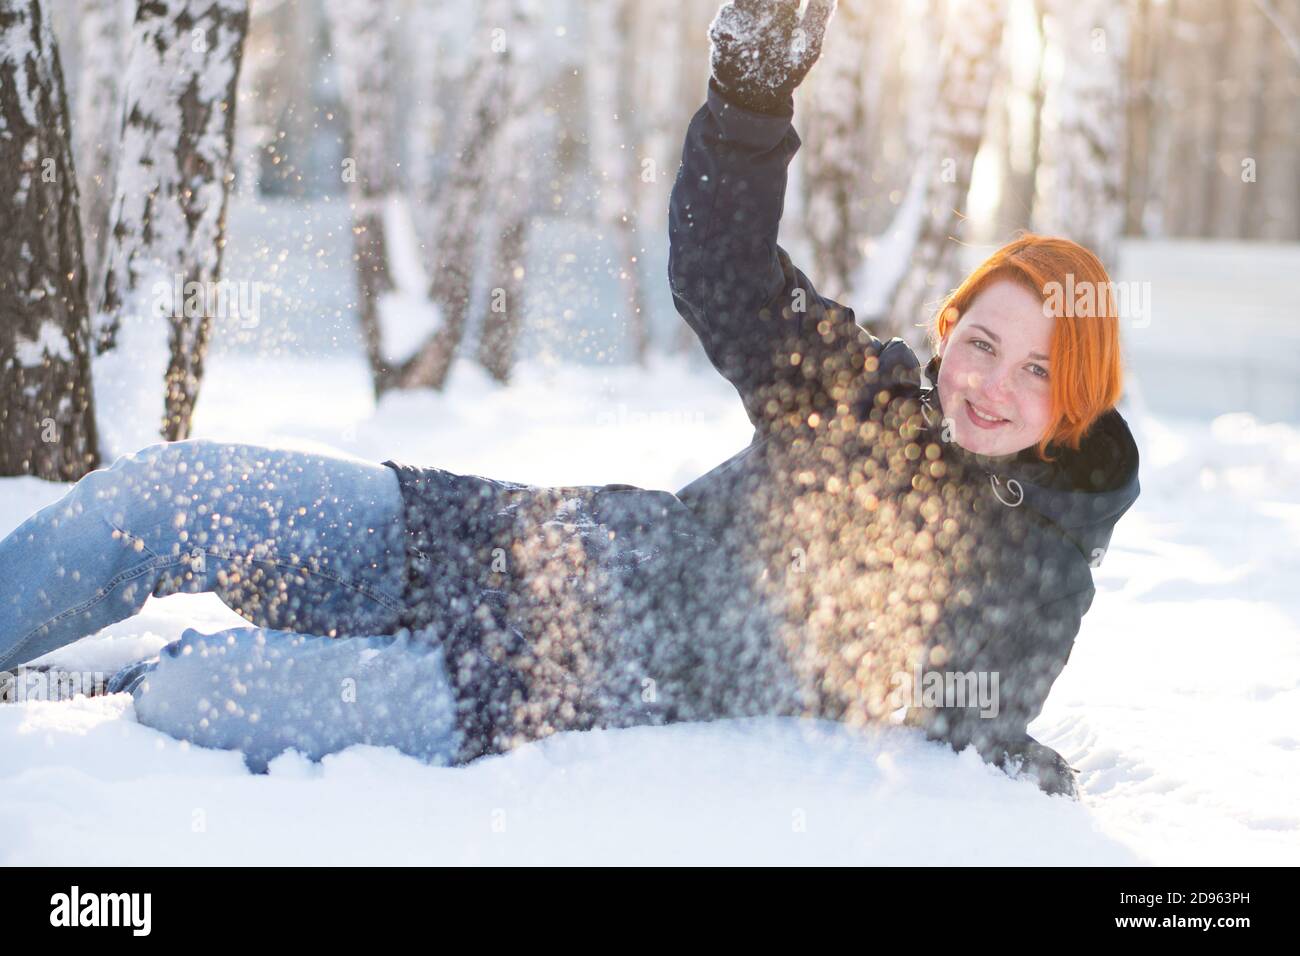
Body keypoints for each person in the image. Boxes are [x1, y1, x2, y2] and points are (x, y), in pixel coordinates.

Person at [0, 0, 1138, 797]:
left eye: (1037, 369)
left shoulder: (1039, 566)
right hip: (500, 540)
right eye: (981, 341)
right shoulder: (867, 400)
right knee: (171, 492)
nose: (989, 382)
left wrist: (998, 748)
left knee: (205, 692)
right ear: (948, 333)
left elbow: (965, 698)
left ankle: (105, 676)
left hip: (528, 684)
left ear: (1076, 400)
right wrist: (752, 86)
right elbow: (724, 275)